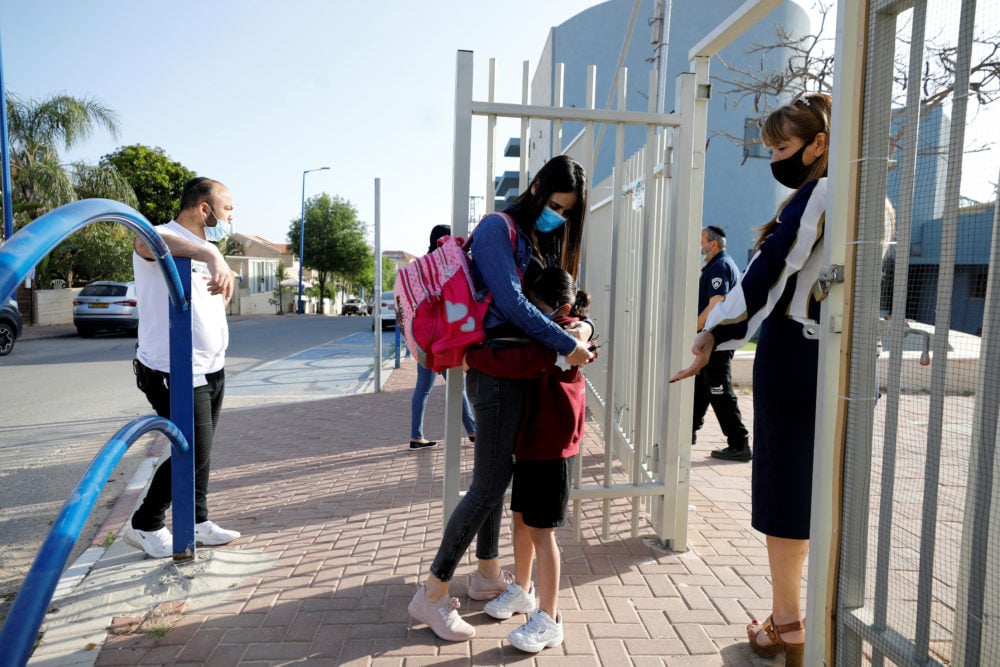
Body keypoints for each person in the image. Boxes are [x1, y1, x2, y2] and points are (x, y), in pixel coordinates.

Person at [670, 92, 832, 667]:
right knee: (826, 492)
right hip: (839, 355)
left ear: (820, 143)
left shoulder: (818, 194)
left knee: (786, 491)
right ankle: (810, 620)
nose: (775, 158)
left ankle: (789, 626)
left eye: (782, 147)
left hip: (794, 355)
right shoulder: (869, 201)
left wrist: (711, 331)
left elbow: (769, 273)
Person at [407, 155, 595, 642]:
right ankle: (430, 594)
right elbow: (510, 302)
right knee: (490, 484)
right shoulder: (499, 228)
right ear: (535, 187)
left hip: (517, 374)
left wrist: (579, 327)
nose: (558, 215)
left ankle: (488, 576)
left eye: (567, 211)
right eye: (554, 204)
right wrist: (565, 343)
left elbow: (561, 302)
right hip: (493, 372)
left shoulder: (539, 241)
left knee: (497, 479)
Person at [463, 267, 589, 653]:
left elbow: (519, 361)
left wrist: (474, 358)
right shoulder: (565, 330)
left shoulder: (562, 337)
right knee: (521, 521)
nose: (528, 315)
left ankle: (549, 618)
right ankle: (522, 589)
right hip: (533, 445)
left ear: (558, 307)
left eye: (533, 307)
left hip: (552, 450)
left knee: (542, 532)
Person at [124, 176, 242, 559]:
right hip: (170, 369)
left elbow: (206, 307)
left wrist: (223, 288)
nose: (230, 218)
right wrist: (211, 255)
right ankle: (145, 523)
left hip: (211, 367)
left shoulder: (208, 248)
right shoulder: (161, 234)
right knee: (191, 450)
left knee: (202, 452)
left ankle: (197, 520)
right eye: (227, 210)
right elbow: (146, 244)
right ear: (204, 208)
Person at [409, 225, 477, 450]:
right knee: (458, 386)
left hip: (423, 336)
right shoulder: (447, 263)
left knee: (423, 388)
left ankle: (416, 436)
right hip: (444, 336)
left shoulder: (421, 266)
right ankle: (473, 430)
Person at [692, 225, 752, 461]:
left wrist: (696, 325)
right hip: (713, 339)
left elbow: (716, 302)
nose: (698, 246)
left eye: (701, 241)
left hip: (718, 339)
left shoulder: (720, 266)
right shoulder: (718, 265)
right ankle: (689, 431)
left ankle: (739, 444)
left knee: (720, 392)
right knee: (702, 386)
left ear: (712, 244)